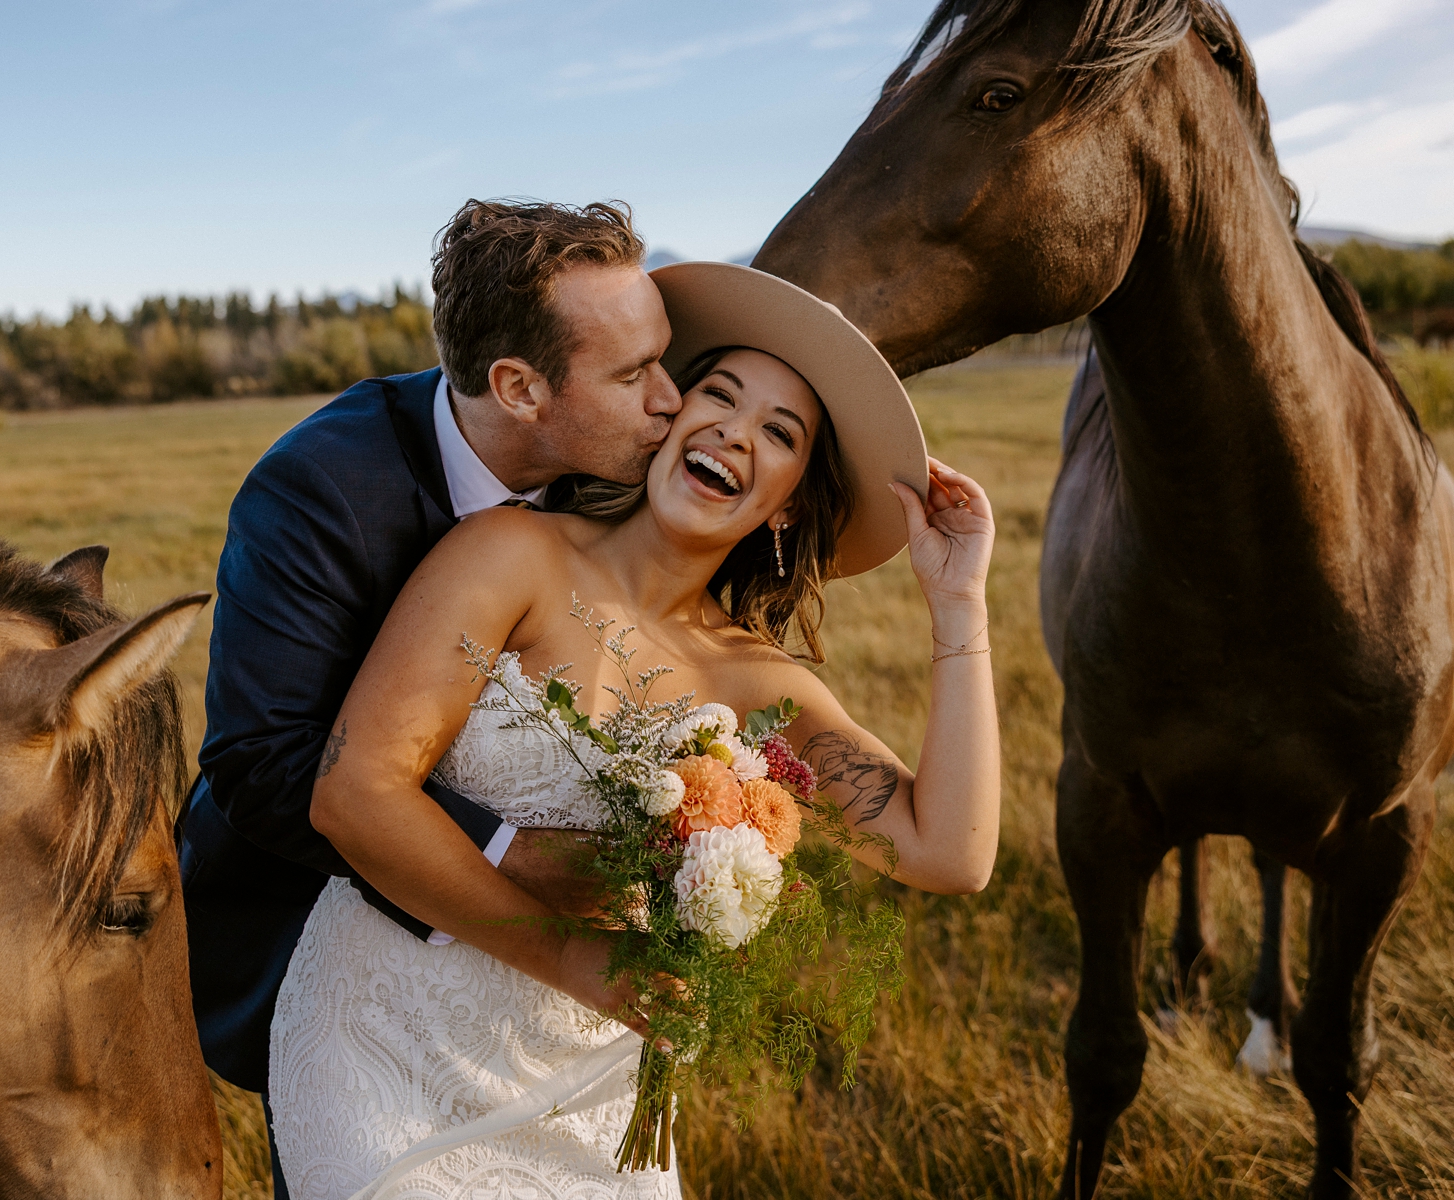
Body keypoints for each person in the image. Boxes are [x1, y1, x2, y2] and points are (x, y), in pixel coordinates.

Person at [274, 261, 1001, 1198]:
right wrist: (580, 960)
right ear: (668, 418)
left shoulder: (760, 689)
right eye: (720, 396)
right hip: (382, 1044)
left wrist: (958, 605)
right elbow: (354, 794)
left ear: (786, 501)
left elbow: (950, 852)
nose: (735, 432)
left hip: (586, 1100)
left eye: (778, 433)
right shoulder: (511, 556)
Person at [175, 198, 683, 1198]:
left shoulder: (621, 472)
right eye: (634, 375)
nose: (672, 399)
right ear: (518, 387)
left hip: (561, 1004)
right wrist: (517, 857)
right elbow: (260, 761)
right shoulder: (321, 488)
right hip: (327, 931)